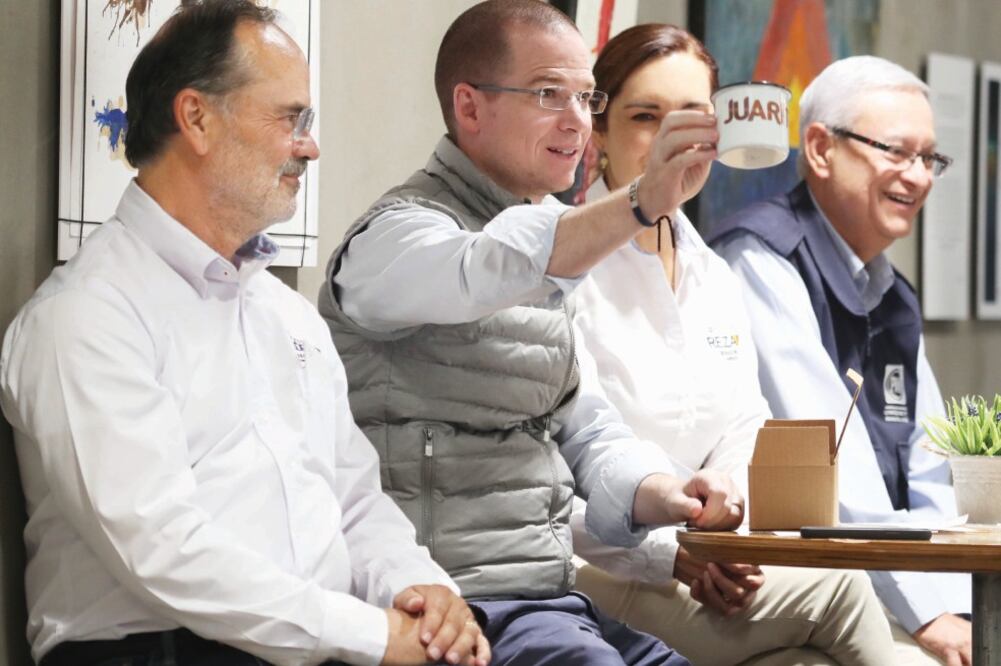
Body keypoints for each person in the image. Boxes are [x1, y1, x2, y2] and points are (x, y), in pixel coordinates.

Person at [0, 2, 490, 665]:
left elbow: (353, 500)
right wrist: (371, 636)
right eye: (291, 118)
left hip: (322, 643)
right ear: (196, 118)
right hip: (152, 651)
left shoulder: (286, 315)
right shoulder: (84, 316)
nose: (310, 145)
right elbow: (161, 548)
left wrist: (420, 592)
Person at [319, 1, 743, 664]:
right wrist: (637, 203)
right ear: (469, 107)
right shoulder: (391, 240)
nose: (577, 121)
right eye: (549, 94)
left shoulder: (549, 246)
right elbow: (483, 266)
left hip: (549, 597)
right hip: (450, 605)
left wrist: (667, 494)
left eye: (585, 96)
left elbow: (586, 430)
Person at [568, 24, 896, 666]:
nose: (671, 142)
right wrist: (672, 552)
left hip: (712, 563)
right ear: (597, 131)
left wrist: (726, 533)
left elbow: (746, 422)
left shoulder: (712, 270)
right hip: (602, 574)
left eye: (691, 121)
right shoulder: (566, 267)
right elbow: (553, 476)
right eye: (645, 117)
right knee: (846, 591)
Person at [708, 55, 971, 666]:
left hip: (894, 581)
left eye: (929, 158)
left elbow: (933, 465)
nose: (920, 176)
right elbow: (833, 470)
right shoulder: (761, 259)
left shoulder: (894, 294)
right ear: (821, 149)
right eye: (898, 152)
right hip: (813, 577)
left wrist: (953, 602)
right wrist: (929, 610)